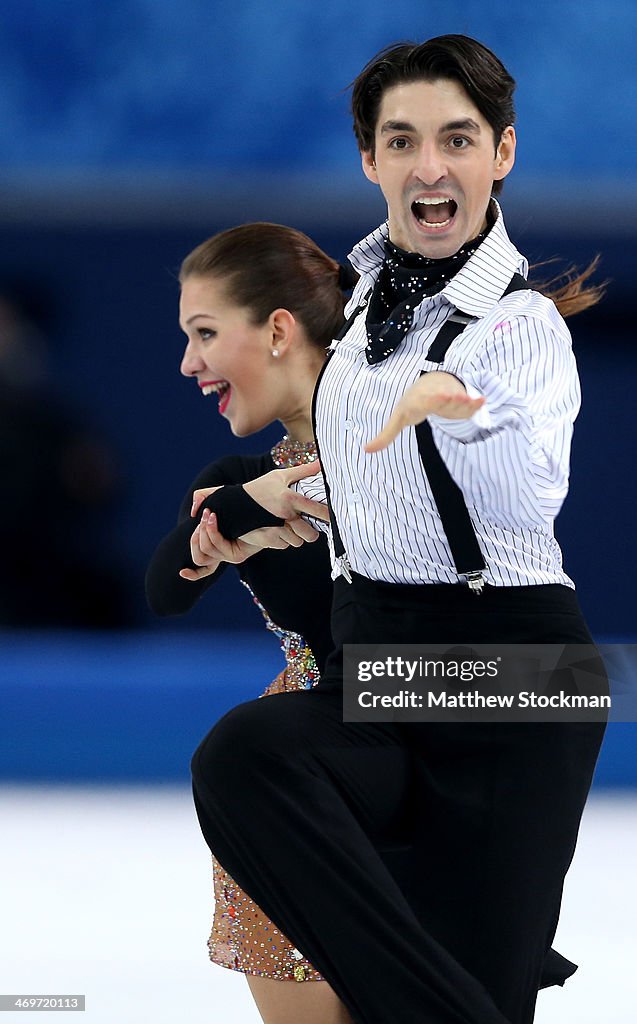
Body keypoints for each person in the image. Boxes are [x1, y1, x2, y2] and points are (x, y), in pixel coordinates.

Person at [189, 35, 608, 1024]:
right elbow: (367, 478)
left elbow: (530, 491)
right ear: (370, 160)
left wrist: (460, 410)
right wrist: (275, 501)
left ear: (499, 154)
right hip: (379, 670)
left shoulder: (517, 328)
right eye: (402, 139)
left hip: (506, 671)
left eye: (456, 139)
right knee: (247, 756)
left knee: (481, 984)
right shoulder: (358, 315)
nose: (430, 165)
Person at [146, 223, 353, 1024]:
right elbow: (167, 588)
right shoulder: (235, 479)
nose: (188, 364)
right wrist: (239, 512)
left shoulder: (401, 448)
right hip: (293, 777)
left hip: (429, 730)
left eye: (204, 334)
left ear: (275, 330)